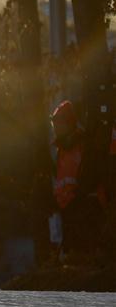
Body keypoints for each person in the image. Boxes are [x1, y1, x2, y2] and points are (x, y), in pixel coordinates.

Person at [50, 100, 106, 260]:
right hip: (67, 212)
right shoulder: (61, 150)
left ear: (69, 123)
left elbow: (91, 178)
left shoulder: (84, 146)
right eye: (53, 122)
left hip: (86, 209)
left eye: (58, 122)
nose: (55, 126)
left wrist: (80, 197)